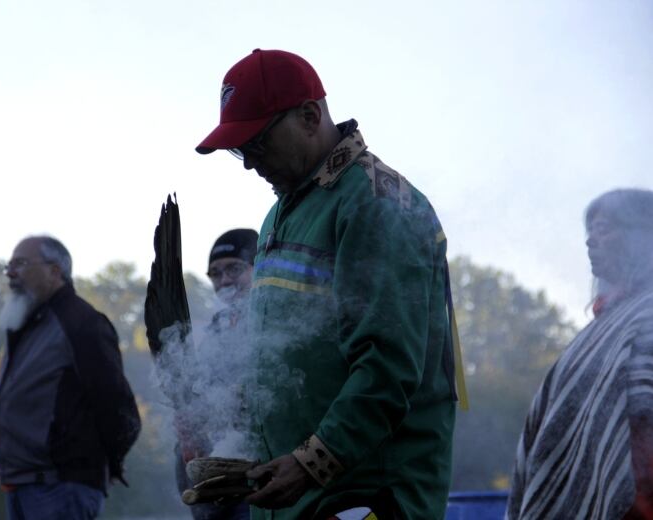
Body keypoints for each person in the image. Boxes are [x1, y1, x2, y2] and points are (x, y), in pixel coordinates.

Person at [195, 49, 458, 520]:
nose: (249, 165)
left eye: (256, 144)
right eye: (240, 151)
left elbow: (387, 367)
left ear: (310, 116)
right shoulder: (282, 211)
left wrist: (311, 462)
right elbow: (283, 352)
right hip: (296, 496)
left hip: (363, 497)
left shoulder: (377, 204)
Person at [507, 188, 653, 520]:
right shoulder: (598, 330)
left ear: (640, 235)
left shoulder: (646, 315)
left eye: (603, 229)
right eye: (590, 231)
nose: (590, 241)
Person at [0, 235, 141, 520]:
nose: (10, 273)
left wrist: (105, 464)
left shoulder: (81, 322)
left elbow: (117, 405)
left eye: (21, 264)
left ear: (55, 271)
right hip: (23, 485)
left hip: (60, 489)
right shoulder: (27, 324)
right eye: (8, 265)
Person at [174, 228, 258, 520]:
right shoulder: (217, 327)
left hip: (258, 476)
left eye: (234, 268)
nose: (224, 280)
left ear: (259, 268)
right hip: (215, 478)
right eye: (215, 273)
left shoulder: (273, 320)